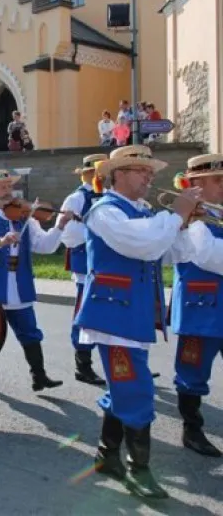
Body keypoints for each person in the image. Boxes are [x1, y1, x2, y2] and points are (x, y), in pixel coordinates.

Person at [74, 145, 201, 499]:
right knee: (138, 390)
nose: (149, 177)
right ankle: (138, 468)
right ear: (118, 175)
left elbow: (170, 252)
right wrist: (175, 217)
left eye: (150, 171)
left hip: (131, 314)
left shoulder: (141, 211)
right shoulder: (104, 211)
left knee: (125, 387)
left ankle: (106, 455)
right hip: (113, 316)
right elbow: (142, 245)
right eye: (141, 171)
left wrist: (186, 225)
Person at [0, 170, 73, 394]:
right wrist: (0, 241)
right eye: (3, 187)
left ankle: (39, 376)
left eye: (10, 186)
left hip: (19, 284)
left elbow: (45, 246)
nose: (9, 191)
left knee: (30, 332)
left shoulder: (25, 218)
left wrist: (59, 226)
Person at [169, 154, 223, 458]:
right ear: (196, 186)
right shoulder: (194, 220)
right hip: (200, 308)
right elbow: (211, 256)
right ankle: (192, 429)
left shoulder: (216, 214)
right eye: (218, 181)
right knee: (192, 371)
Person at [58, 155, 107, 386]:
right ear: (89, 174)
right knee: (86, 314)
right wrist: (99, 234)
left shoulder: (108, 195)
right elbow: (67, 235)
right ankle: (83, 365)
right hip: (86, 264)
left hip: (108, 265)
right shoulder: (76, 198)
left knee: (110, 314)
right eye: (101, 171)